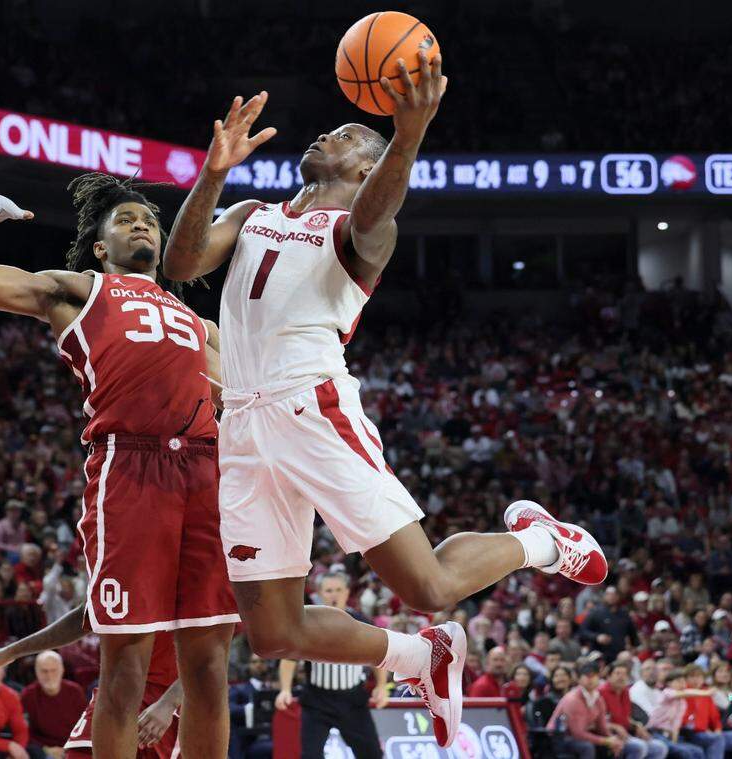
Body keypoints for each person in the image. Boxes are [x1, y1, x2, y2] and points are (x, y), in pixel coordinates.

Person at [160, 52, 606, 749]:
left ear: (367, 166)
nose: (322, 137)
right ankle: (416, 656)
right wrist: (213, 174)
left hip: (313, 408)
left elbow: (378, 209)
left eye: (342, 134)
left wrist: (409, 133)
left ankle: (545, 540)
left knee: (427, 586)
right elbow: (179, 264)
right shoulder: (251, 212)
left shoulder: (364, 233)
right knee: (274, 632)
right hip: (242, 423)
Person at [0, 171, 238, 759]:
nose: (141, 225)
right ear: (101, 247)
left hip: (207, 469)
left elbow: (248, 388)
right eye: (125, 220)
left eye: (148, 219)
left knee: (208, 668)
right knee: (125, 664)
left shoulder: (197, 322)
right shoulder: (80, 289)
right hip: (132, 469)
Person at [0, 601, 183, 759]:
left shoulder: (188, 563)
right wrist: (13, 651)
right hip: (114, 690)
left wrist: (169, 703)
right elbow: (84, 615)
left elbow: (214, 651)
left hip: (163, 698)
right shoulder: (114, 556)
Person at [276, 572, 388, 759]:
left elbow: (379, 654)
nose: (334, 595)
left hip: (353, 701)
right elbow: (289, 658)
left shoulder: (361, 622)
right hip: (317, 702)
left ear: (347, 592)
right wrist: (285, 689)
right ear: (319, 593)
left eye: (338, 590)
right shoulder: (306, 623)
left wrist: (382, 685)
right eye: (328, 590)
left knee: (372, 754)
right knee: (310, 755)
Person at [550, 661, 635, 758]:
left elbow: (602, 727)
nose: (590, 679)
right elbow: (577, 733)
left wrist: (612, 739)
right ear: (579, 679)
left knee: (615, 744)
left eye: (594, 675)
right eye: (586, 675)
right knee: (587, 746)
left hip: (579, 736)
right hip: (559, 738)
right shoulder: (573, 699)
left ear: (598, 678)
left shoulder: (598, 699)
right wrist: (605, 741)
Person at [19, 651, 87, 756]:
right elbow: (24, 731)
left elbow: (85, 726)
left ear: (62, 670)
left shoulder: (75, 691)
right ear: (36, 672)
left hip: (73, 746)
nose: (49, 676)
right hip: (43, 749)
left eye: (53, 670)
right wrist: (45, 749)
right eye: (44, 671)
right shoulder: (28, 695)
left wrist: (71, 748)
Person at [681, 664, 732, 759]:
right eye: (692, 676)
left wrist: (718, 728)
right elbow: (689, 720)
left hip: (716, 730)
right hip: (694, 733)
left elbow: (727, 708)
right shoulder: (707, 691)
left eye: (726, 672)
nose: (724, 674)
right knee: (717, 739)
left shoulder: (729, 692)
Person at [600, 661, 669, 759]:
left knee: (659, 747)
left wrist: (636, 726)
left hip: (627, 732)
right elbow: (597, 721)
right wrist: (615, 727)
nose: (621, 677)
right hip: (609, 734)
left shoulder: (626, 692)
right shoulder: (601, 693)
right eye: (617, 673)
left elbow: (625, 718)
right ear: (609, 677)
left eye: (624, 674)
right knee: (639, 747)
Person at [646, 667, 716, 759]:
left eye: (683, 681)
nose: (682, 684)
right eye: (678, 681)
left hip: (669, 736)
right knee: (683, 752)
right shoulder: (666, 693)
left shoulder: (682, 702)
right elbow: (686, 693)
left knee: (697, 751)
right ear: (669, 683)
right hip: (655, 733)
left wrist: (674, 741)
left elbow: (676, 724)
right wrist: (705, 693)